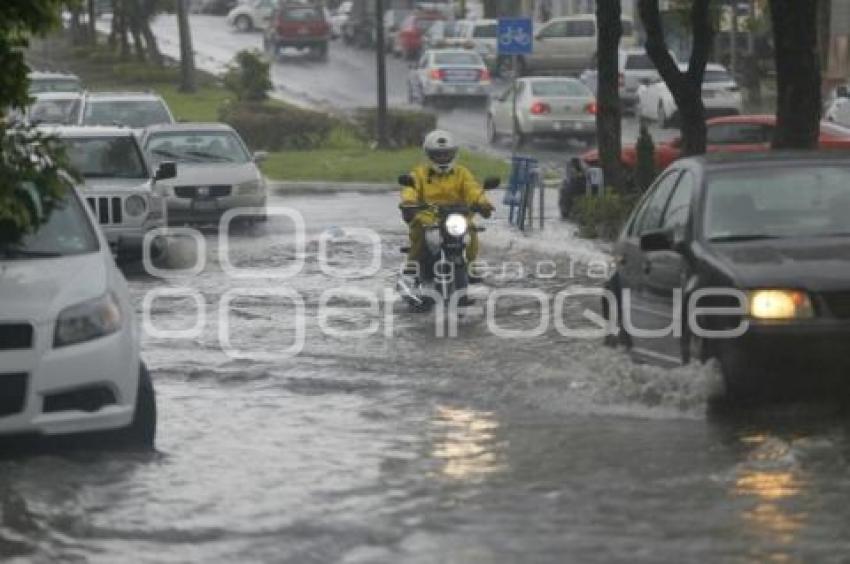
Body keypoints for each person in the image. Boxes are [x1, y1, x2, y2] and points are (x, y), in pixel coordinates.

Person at [400, 129, 494, 274]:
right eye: (438, 154)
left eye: (446, 154)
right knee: (419, 230)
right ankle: (412, 266)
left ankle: (471, 265)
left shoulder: (462, 173)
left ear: (454, 153)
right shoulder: (419, 173)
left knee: (471, 230)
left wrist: (482, 202)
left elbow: (472, 189)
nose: (442, 157)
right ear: (429, 155)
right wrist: (408, 202)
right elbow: (410, 189)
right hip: (429, 216)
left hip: (457, 216)